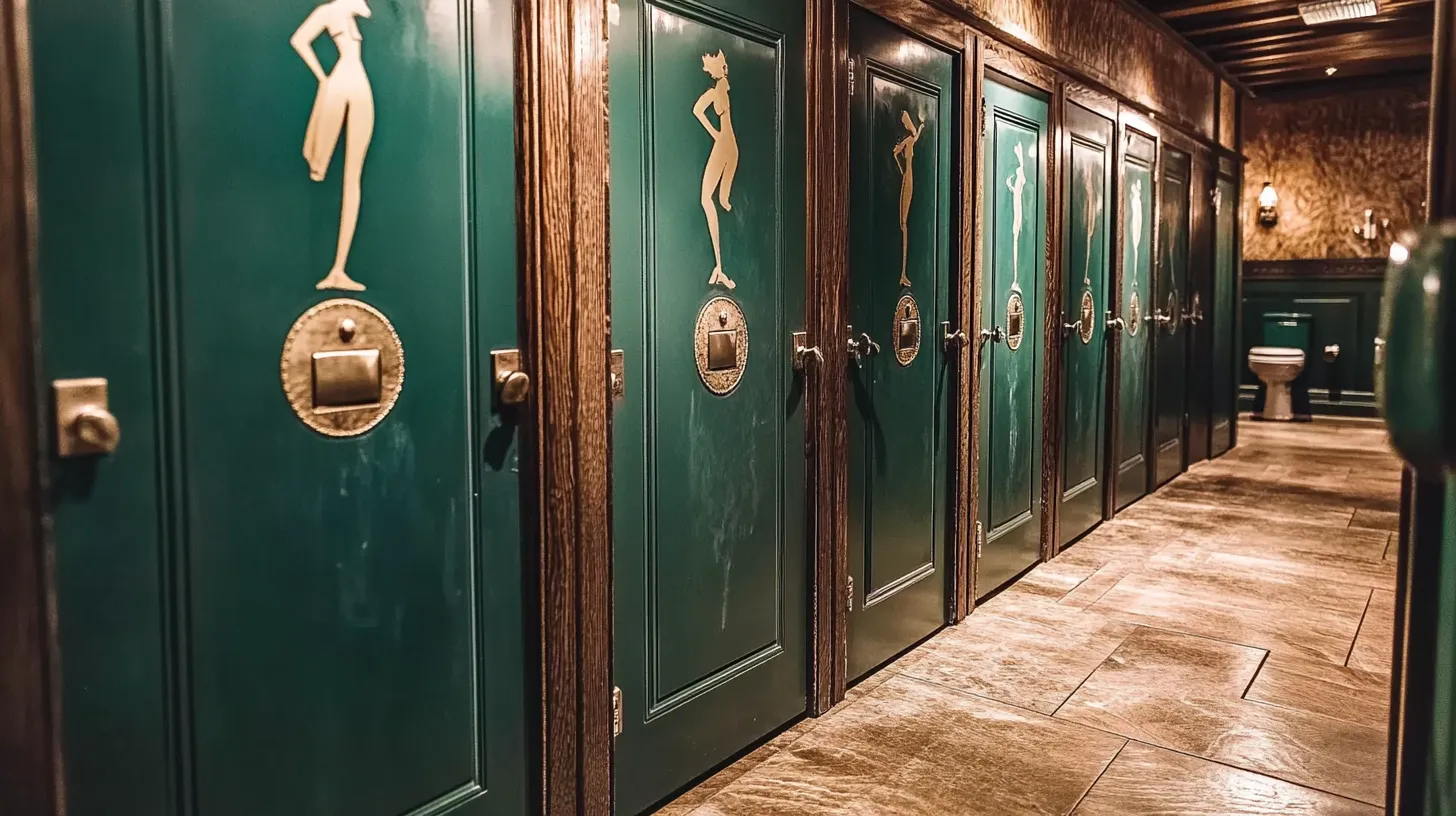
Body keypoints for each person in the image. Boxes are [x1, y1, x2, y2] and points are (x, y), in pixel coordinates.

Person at [293, 0, 375, 292]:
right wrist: (322, 77)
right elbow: (299, 40)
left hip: (359, 85)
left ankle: (339, 268)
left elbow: (365, 9)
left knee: (354, 178)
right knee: (336, 171)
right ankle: (336, 268)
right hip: (341, 82)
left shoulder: (352, 7)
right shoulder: (328, 11)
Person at [693, 50, 739, 291]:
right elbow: (697, 111)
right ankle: (720, 266)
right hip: (729, 146)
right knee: (719, 201)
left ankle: (720, 266)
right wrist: (715, 134)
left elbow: (697, 111)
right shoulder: (720, 90)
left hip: (725, 147)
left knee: (708, 200)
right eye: (721, 64)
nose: (724, 67)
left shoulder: (718, 90)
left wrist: (715, 135)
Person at [892, 110, 926, 288]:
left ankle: (903, 272)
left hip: (908, 178)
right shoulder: (909, 140)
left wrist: (901, 170)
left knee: (904, 225)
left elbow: (895, 153)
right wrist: (902, 171)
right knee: (903, 225)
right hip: (908, 178)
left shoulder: (909, 140)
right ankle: (902, 273)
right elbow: (895, 153)